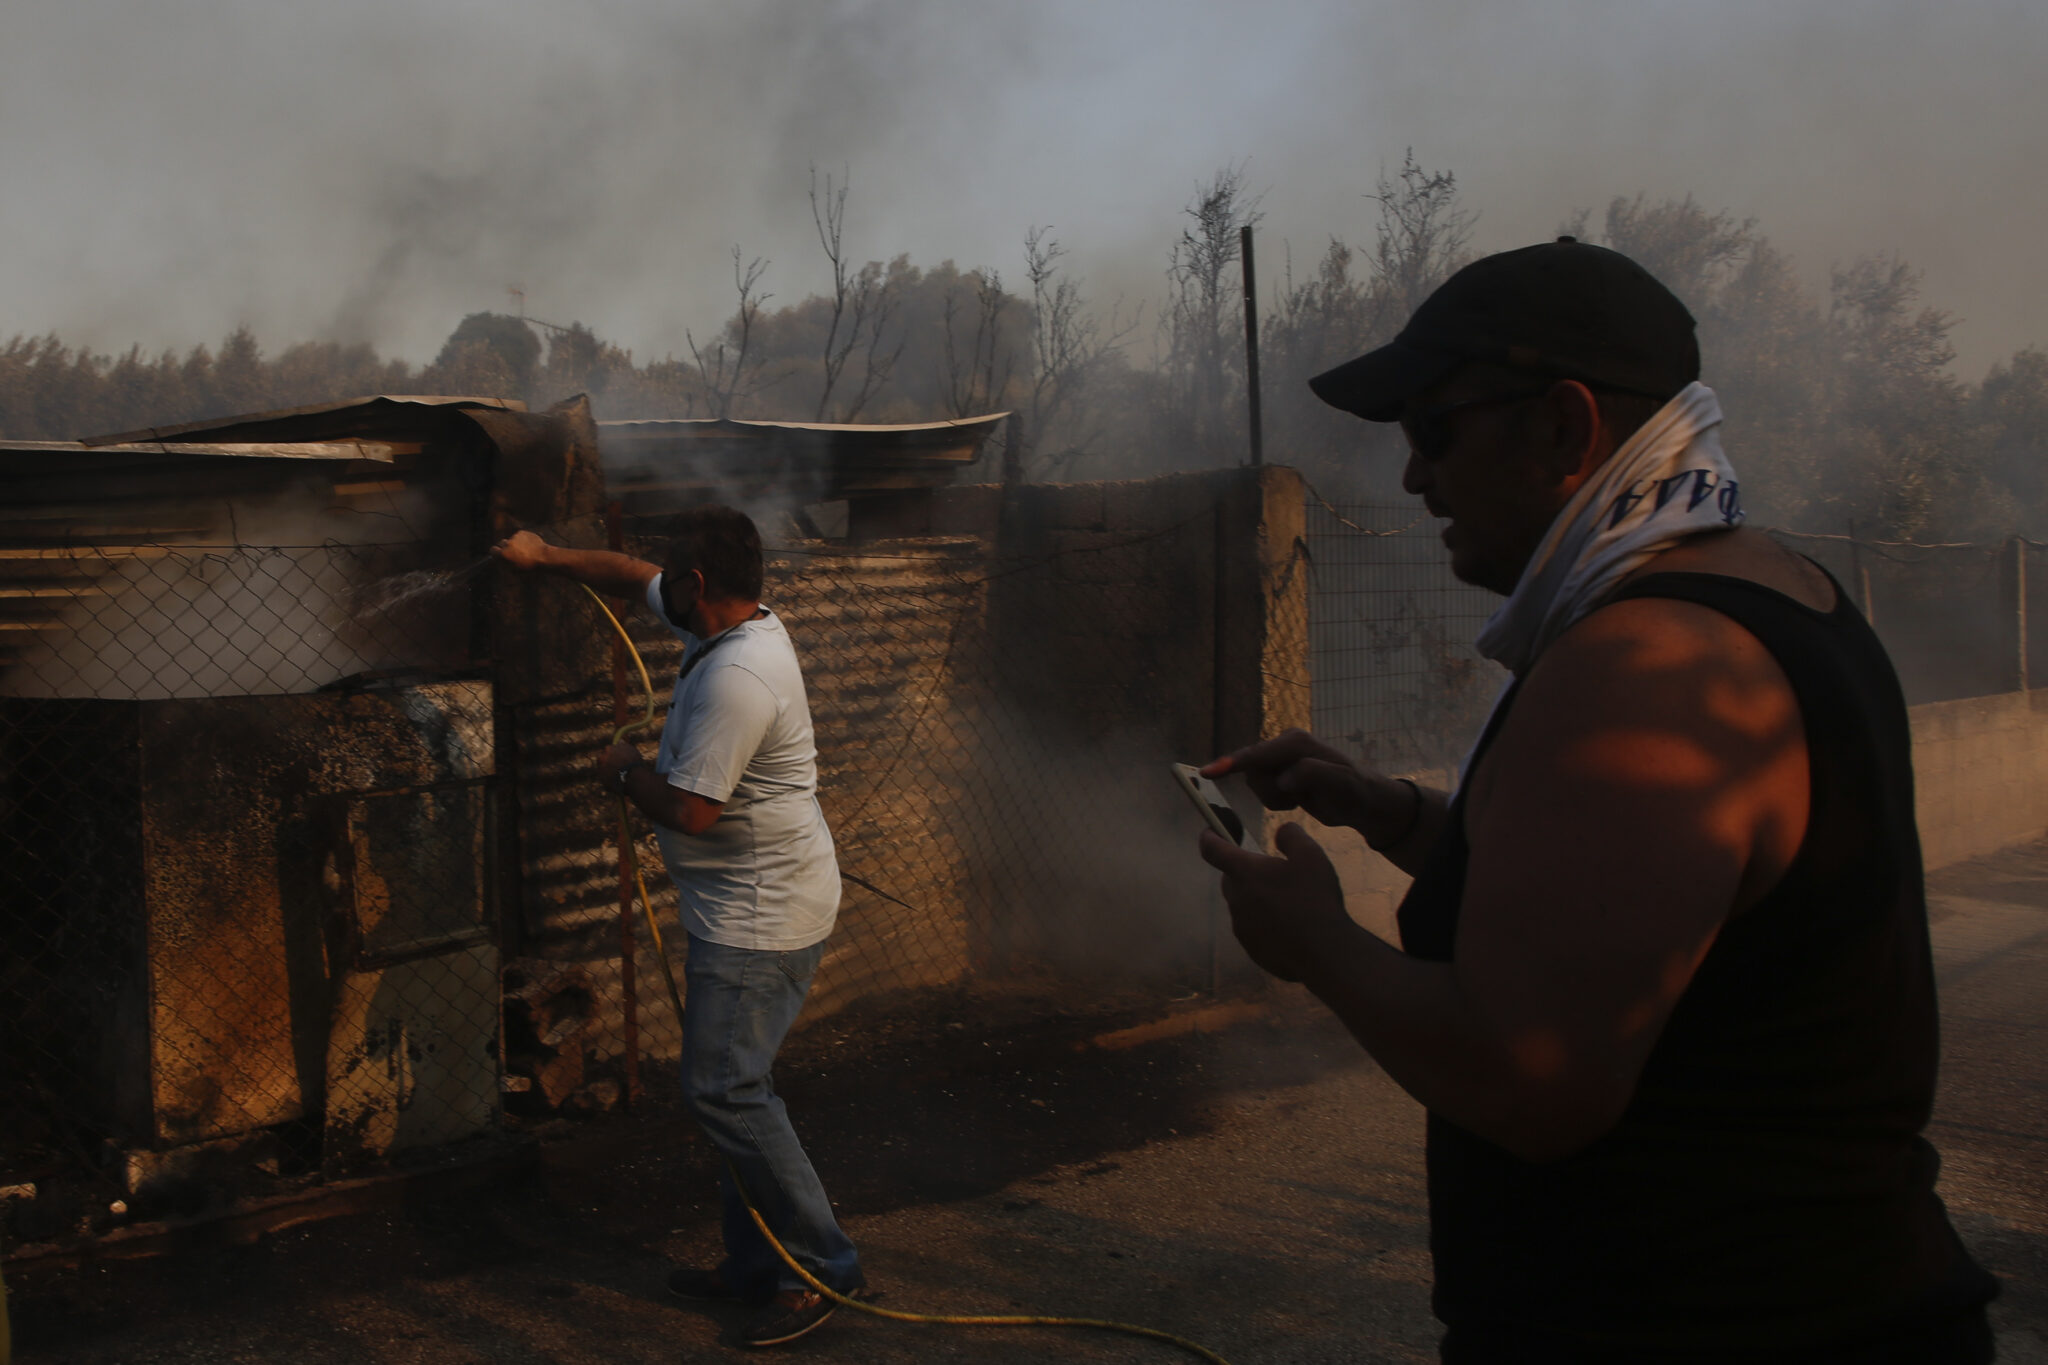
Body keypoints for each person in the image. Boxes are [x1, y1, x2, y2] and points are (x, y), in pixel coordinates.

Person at [1199, 238, 1998, 1362]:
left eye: (1434, 431)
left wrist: (1316, 945)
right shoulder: (1760, 586)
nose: (1412, 478)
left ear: (1563, 429)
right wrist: (1388, 811)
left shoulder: (1645, 670)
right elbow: (1633, 916)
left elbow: (1531, 1079)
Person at [494, 504, 866, 1349]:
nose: (661, 580)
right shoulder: (723, 617)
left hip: (761, 918)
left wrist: (626, 771)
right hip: (747, 904)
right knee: (736, 1091)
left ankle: (820, 1265)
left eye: (676, 574)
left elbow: (694, 810)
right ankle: (756, 1263)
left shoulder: (742, 677)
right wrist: (544, 555)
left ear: (702, 584)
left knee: (725, 1091)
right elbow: (630, 577)